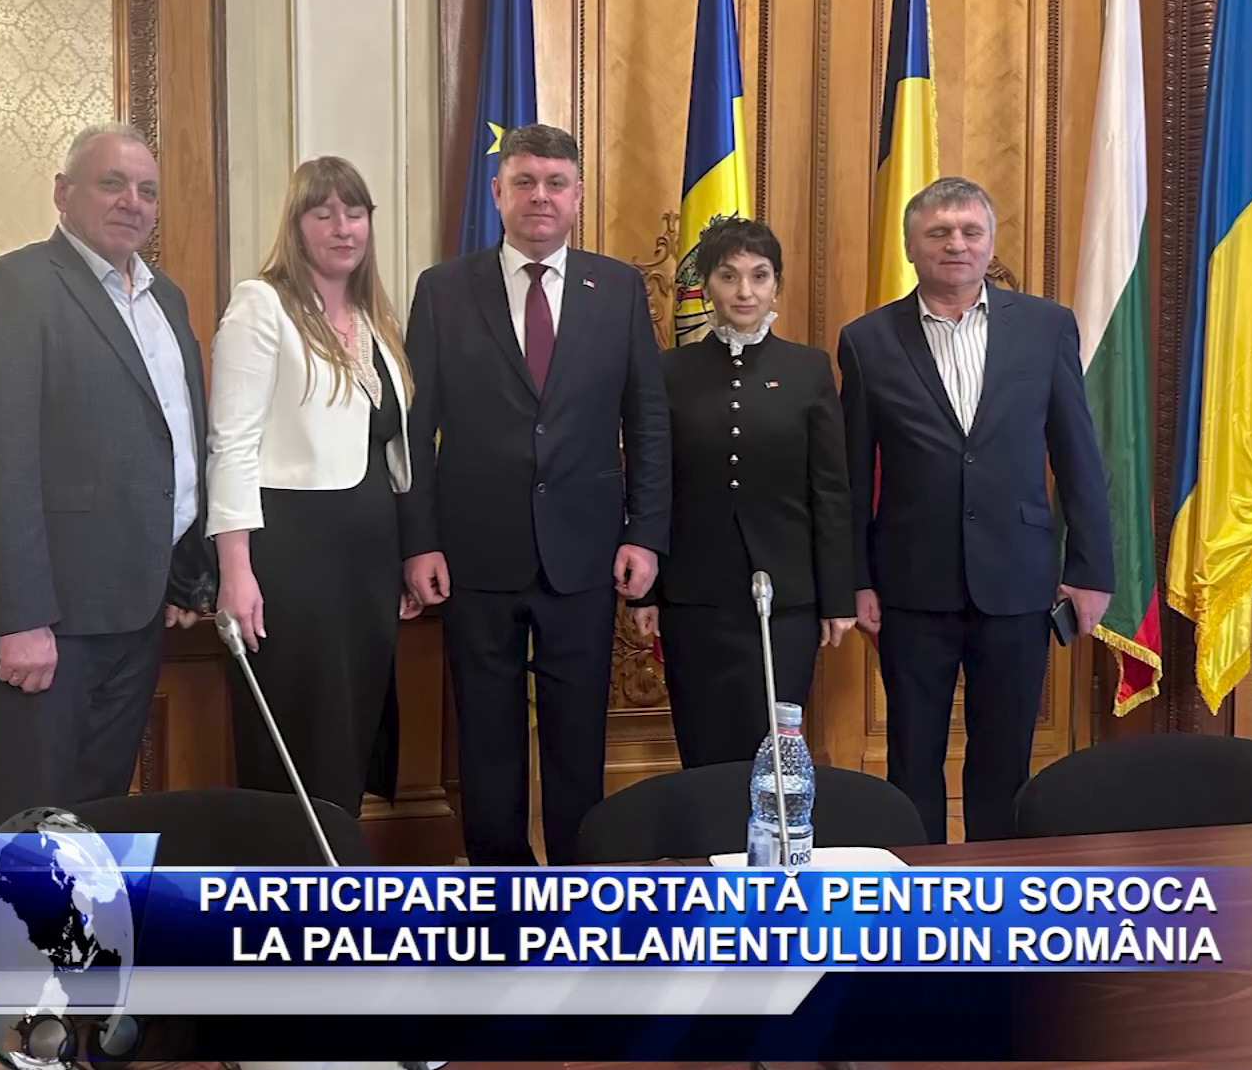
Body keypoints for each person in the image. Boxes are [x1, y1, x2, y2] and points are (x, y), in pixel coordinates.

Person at [399, 123, 672, 866]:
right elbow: (415, 429)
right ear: (498, 193)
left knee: (577, 736)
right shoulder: (443, 289)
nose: (540, 197)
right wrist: (419, 540)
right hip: (474, 553)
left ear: (578, 195)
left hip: (585, 552)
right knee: (485, 737)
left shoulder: (617, 289)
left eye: (556, 183)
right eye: (524, 182)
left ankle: (580, 886)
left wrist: (645, 533)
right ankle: (499, 890)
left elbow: (647, 419)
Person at [0, 122, 213, 833]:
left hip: (138, 610)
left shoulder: (166, 300)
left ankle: (89, 916)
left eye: (148, 190)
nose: (133, 201)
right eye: (112, 183)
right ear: (63, 193)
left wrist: (185, 572)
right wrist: (22, 618)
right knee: (28, 820)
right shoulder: (14, 287)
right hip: (52, 620)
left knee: (99, 815)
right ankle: (11, 920)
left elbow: (176, 443)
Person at [838, 176, 1113, 844]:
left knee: (1004, 758)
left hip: (1019, 581)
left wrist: (1090, 570)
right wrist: (855, 579)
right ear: (911, 246)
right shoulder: (867, 341)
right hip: (909, 586)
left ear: (990, 243)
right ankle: (917, 892)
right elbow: (849, 476)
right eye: (938, 232)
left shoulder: (1046, 327)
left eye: (969, 231)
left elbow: (1078, 456)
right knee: (913, 758)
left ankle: (998, 889)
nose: (955, 244)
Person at [207, 156, 419, 818]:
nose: (342, 227)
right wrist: (235, 571)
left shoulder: (373, 316)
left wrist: (402, 557)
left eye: (355, 213)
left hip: (366, 566)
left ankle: (338, 859)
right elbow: (231, 443)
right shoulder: (262, 305)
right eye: (323, 213)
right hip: (293, 559)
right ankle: (292, 872)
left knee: (350, 729)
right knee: (301, 737)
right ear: (296, 225)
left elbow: (386, 449)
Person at [627, 218, 854, 768]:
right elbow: (650, 482)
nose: (745, 290)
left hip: (788, 598)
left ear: (777, 284)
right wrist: (644, 594)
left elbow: (830, 490)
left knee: (773, 749)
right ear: (706, 285)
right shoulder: (668, 371)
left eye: (759, 275)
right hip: (693, 594)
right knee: (703, 745)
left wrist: (838, 597)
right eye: (728, 276)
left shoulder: (808, 369)